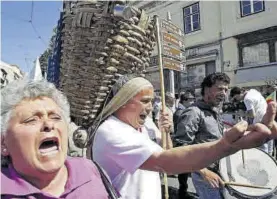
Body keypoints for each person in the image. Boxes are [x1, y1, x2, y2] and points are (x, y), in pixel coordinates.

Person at [91, 75, 277, 199]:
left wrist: (165, 131)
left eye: (152, 101)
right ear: (122, 101)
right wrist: (226, 146)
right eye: (145, 101)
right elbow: (165, 162)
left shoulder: (146, 124)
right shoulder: (111, 131)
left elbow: (168, 150)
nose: (150, 108)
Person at [1, 79, 114, 199]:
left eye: (55, 117)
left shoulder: (91, 170)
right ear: (3, 143)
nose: (49, 125)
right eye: (31, 120)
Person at [173, 73, 231, 199]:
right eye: (220, 89)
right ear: (207, 89)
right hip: (204, 174)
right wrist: (204, 172)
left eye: (226, 90)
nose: (224, 93)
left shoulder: (214, 112)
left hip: (220, 172)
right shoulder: (193, 113)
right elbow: (181, 147)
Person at [230, 86, 274, 155]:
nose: (238, 100)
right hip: (268, 117)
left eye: (236, 98)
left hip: (260, 122)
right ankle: (271, 158)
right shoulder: (253, 91)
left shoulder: (247, 99)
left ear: (239, 94)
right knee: (269, 140)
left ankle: (264, 159)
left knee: (262, 145)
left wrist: (242, 113)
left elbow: (252, 114)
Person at [173, 92, 196, 199]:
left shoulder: (182, 111)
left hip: (183, 142)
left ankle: (183, 191)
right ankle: (182, 193)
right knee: (183, 170)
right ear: (185, 100)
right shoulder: (180, 113)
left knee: (185, 170)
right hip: (181, 143)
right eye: (191, 100)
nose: (193, 102)